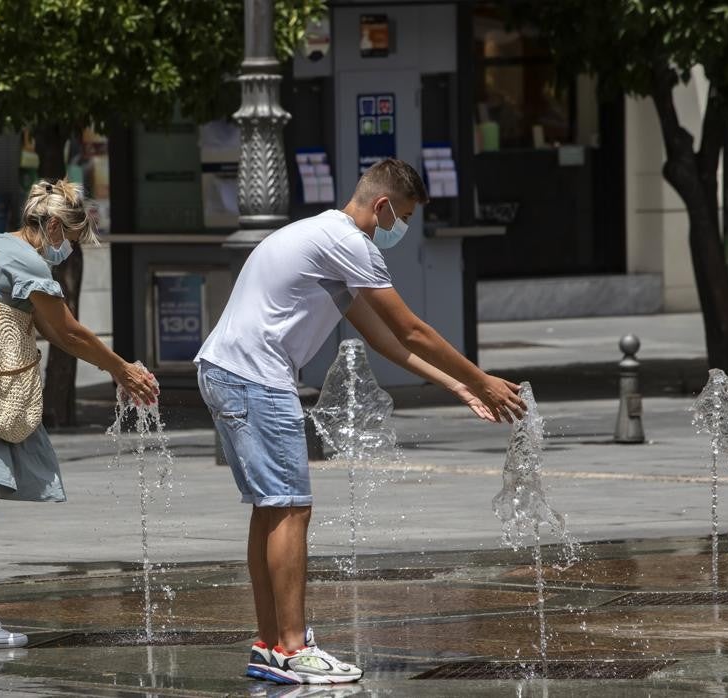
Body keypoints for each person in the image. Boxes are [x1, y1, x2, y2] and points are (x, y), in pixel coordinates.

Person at [195, 158, 526, 685]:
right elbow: (412, 329)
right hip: (256, 378)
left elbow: (383, 340)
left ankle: (269, 645)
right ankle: (295, 648)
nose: (404, 228)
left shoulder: (318, 236)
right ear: (383, 206)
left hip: (226, 371)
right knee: (290, 509)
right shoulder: (349, 243)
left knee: (271, 509)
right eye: (405, 215)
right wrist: (484, 378)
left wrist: (457, 386)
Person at [0, 179, 158, 650]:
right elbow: (66, 332)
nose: (66, 248)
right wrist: (122, 370)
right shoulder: (26, 260)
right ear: (50, 225)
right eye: (66, 237)